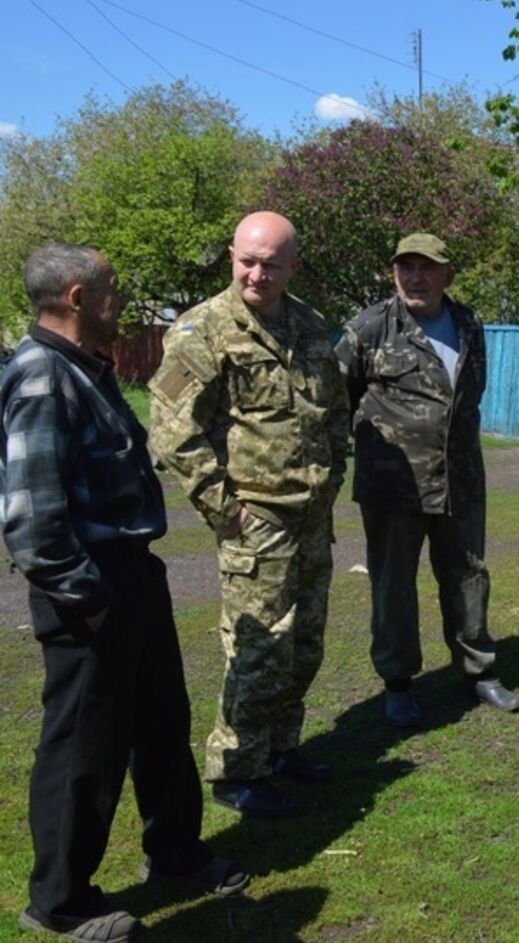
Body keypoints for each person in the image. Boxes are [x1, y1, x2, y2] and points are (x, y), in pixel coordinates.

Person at [1, 244, 248, 943]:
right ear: (78, 298)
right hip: (91, 584)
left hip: (132, 574)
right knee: (84, 747)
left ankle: (173, 851)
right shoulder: (43, 377)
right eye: (113, 288)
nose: (123, 298)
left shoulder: (85, 367)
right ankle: (60, 900)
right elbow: (30, 517)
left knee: (162, 722)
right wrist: (91, 596)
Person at [149, 211, 349, 818]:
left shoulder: (310, 325)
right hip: (254, 517)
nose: (256, 273)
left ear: (294, 266)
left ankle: (281, 750)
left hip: (310, 516)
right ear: (232, 257)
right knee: (259, 650)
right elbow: (173, 432)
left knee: (304, 646)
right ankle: (237, 771)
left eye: (270, 263)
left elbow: (334, 408)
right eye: (246, 261)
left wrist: (332, 477)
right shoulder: (202, 330)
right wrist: (224, 510)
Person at [336, 233, 519, 729]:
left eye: (426, 267)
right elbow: (337, 397)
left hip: (459, 477)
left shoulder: (468, 324)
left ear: (447, 275)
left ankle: (478, 670)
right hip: (392, 485)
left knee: (467, 577)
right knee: (394, 584)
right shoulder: (370, 327)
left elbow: (472, 392)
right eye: (406, 267)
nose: (415, 277)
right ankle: (398, 683)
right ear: (394, 273)